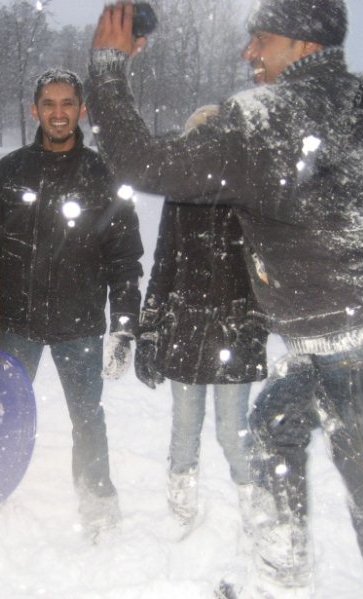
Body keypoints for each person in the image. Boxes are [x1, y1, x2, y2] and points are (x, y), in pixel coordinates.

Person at [87, 1, 363, 597]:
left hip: (361, 350)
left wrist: (109, 67)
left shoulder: (265, 120)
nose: (249, 52)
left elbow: (145, 163)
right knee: (273, 425)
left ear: (305, 44)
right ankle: (281, 572)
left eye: (262, 39)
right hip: (350, 338)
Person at [0, 68, 144, 537]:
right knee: (2, 410)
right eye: (49, 104)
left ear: (82, 109)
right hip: (16, 322)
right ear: (34, 110)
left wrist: (124, 325)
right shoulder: (9, 171)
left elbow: (125, 256)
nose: (59, 113)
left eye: (68, 104)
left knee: (87, 418)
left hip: (79, 323)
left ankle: (97, 499)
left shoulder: (103, 174)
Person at [135, 105, 269, 533]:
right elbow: (163, 263)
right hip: (186, 329)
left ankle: (258, 511)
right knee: (185, 429)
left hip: (236, 329)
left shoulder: (250, 194)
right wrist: (149, 329)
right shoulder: (180, 194)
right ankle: (180, 510)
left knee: (232, 431)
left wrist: (258, 320)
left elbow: (267, 268)